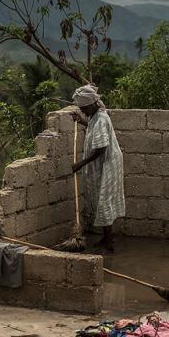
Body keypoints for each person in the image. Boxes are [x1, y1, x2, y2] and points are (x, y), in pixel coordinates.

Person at [68, 84, 125, 253]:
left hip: (107, 163)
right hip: (107, 163)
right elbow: (93, 127)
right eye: (81, 108)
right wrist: (81, 121)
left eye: (84, 108)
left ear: (92, 104)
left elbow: (101, 149)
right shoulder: (96, 116)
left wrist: (81, 163)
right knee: (103, 199)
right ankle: (108, 236)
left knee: (104, 199)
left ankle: (109, 241)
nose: (83, 110)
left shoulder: (101, 119)